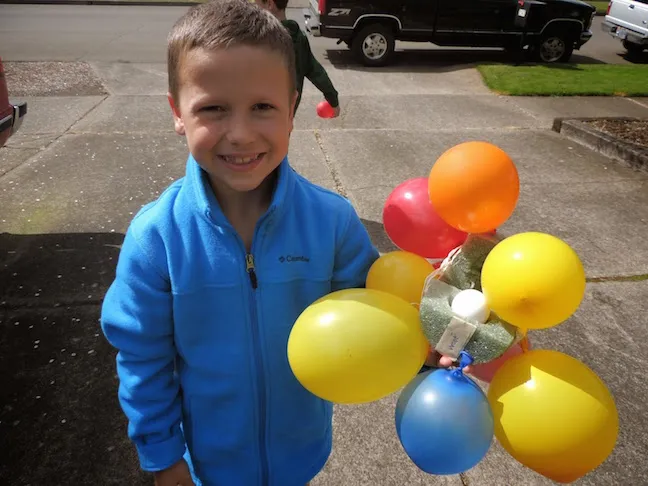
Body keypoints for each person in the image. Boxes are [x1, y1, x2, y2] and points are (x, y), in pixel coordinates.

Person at [100, 1, 378, 485]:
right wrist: (165, 460)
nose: (240, 134)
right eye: (213, 108)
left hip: (302, 454)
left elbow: (377, 316)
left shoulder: (332, 223)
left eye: (263, 107)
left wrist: (439, 314)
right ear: (177, 113)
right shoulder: (157, 238)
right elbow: (143, 359)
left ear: (292, 109)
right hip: (208, 463)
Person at [257, 0, 340, 117]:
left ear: (270, 4)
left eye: (257, 3)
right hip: (287, 112)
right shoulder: (298, 37)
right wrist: (333, 100)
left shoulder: (260, 38)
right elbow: (315, 71)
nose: (255, 7)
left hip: (260, 111)